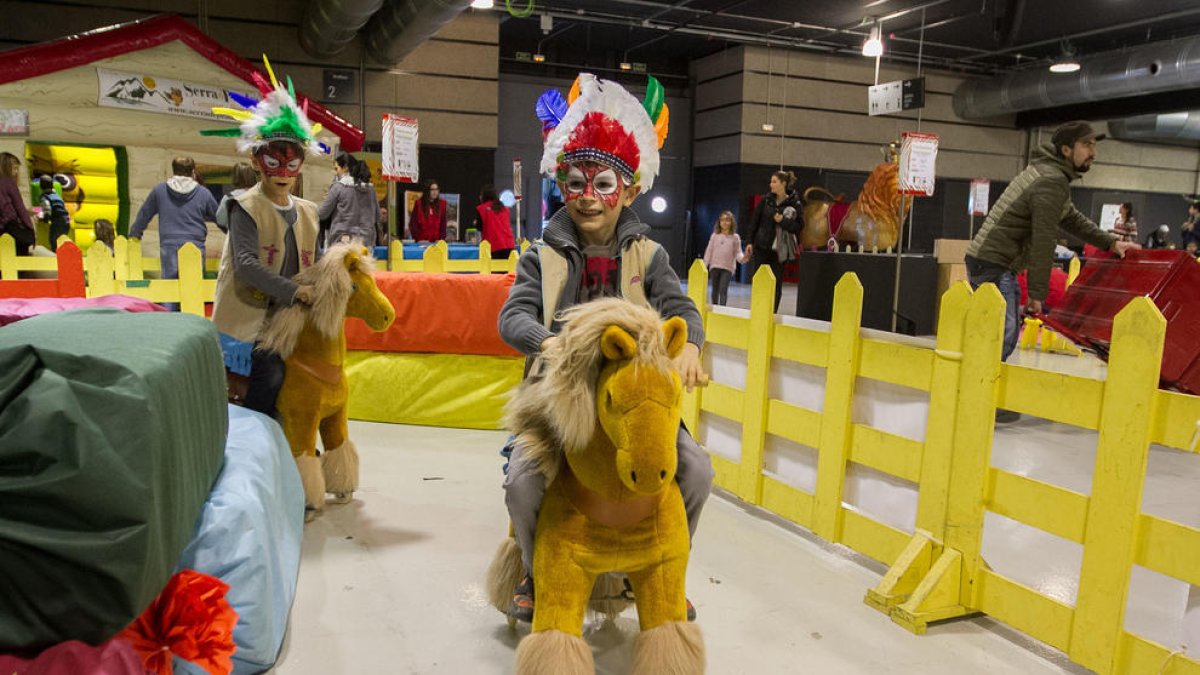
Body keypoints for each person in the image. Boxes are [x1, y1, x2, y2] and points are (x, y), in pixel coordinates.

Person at [498, 73, 712, 624]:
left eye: (603, 185)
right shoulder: (539, 256)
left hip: (635, 402)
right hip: (557, 400)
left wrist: (691, 346)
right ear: (560, 185)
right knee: (523, 484)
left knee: (695, 471)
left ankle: (666, 567)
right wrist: (553, 344)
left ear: (630, 189)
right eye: (575, 183)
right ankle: (531, 568)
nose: (588, 197)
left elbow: (682, 310)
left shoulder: (649, 255)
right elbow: (512, 317)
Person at [965, 120, 1139, 422]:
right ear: (1066, 149)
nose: (1093, 152)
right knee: (1002, 337)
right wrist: (1037, 295)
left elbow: (1070, 219)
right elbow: (1044, 238)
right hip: (994, 263)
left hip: (988, 260)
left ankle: (978, 396)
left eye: (1094, 145)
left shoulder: (1050, 175)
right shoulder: (1050, 180)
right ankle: (981, 401)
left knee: (996, 334)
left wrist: (1112, 243)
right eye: (1087, 145)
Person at [205, 57, 325, 421]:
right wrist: (294, 291)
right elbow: (246, 264)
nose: (283, 172)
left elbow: (317, 262)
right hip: (252, 318)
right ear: (258, 161)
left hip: (294, 316)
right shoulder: (244, 206)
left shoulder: (308, 211)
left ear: (301, 165)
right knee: (270, 373)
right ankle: (257, 432)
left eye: (291, 164)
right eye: (274, 163)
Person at [128, 156, 219, 286]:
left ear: (174, 170)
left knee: (170, 286)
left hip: (169, 243)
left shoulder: (159, 190)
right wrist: (232, 233)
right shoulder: (203, 193)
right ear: (193, 171)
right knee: (194, 287)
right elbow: (219, 217)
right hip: (195, 243)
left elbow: (144, 214)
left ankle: (169, 306)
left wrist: (134, 234)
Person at [743, 170, 802, 312]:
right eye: (771, 181)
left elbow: (799, 227)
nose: (771, 184)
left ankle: (772, 312)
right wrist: (750, 242)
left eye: (774, 181)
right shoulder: (766, 200)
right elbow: (754, 222)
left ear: (783, 184)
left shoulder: (795, 203)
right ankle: (757, 310)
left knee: (776, 283)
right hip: (761, 246)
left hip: (780, 251)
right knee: (759, 281)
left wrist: (783, 221)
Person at [318, 151, 379, 248]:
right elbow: (377, 217)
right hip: (366, 242)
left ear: (345, 167)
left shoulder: (339, 187)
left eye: (336, 168)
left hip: (342, 241)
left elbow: (322, 214)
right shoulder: (370, 189)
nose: (336, 173)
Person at [703, 210, 744, 306]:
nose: (725, 222)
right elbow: (709, 251)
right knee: (715, 289)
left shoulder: (735, 237)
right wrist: (704, 265)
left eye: (727, 220)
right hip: (715, 266)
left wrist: (743, 258)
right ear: (719, 222)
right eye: (722, 220)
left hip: (727, 268)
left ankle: (722, 310)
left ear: (731, 222)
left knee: (723, 289)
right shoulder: (714, 236)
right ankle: (715, 308)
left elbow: (738, 253)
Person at [0, 151, 35, 256]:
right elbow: (19, 208)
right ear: (6, 167)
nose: (16, 172)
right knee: (18, 260)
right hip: (10, 228)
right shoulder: (9, 183)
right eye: (15, 168)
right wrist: (30, 229)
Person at [472, 185, 514, 259]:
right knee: (508, 270)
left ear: (484, 196)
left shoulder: (482, 209)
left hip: (493, 245)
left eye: (480, 195)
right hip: (509, 245)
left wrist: (475, 223)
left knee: (493, 270)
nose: (479, 197)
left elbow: (480, 226)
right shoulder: (504, 208)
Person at [214, 162, 258, 233]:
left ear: (235, 177)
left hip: (237, 239)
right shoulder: (261, 197)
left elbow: (220, 220)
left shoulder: (229, 198)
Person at [38, 176, 71, 251]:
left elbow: (47, 209)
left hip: (57, 222)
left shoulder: (45, 197)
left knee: (54, 241)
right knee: (62, 241)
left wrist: (45, 219)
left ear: (41, 187)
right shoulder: (57, 196)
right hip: (66, 220)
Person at [408, 178, 446, 242]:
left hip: (437, 242)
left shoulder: (442, 204)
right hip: (422, 241)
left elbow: (443, 224)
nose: (435, 192)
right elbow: (413, 224)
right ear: (427, 190)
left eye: (437, 189)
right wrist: (418, 239)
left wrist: (441, 239)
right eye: (432, 190)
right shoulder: (419, 204)